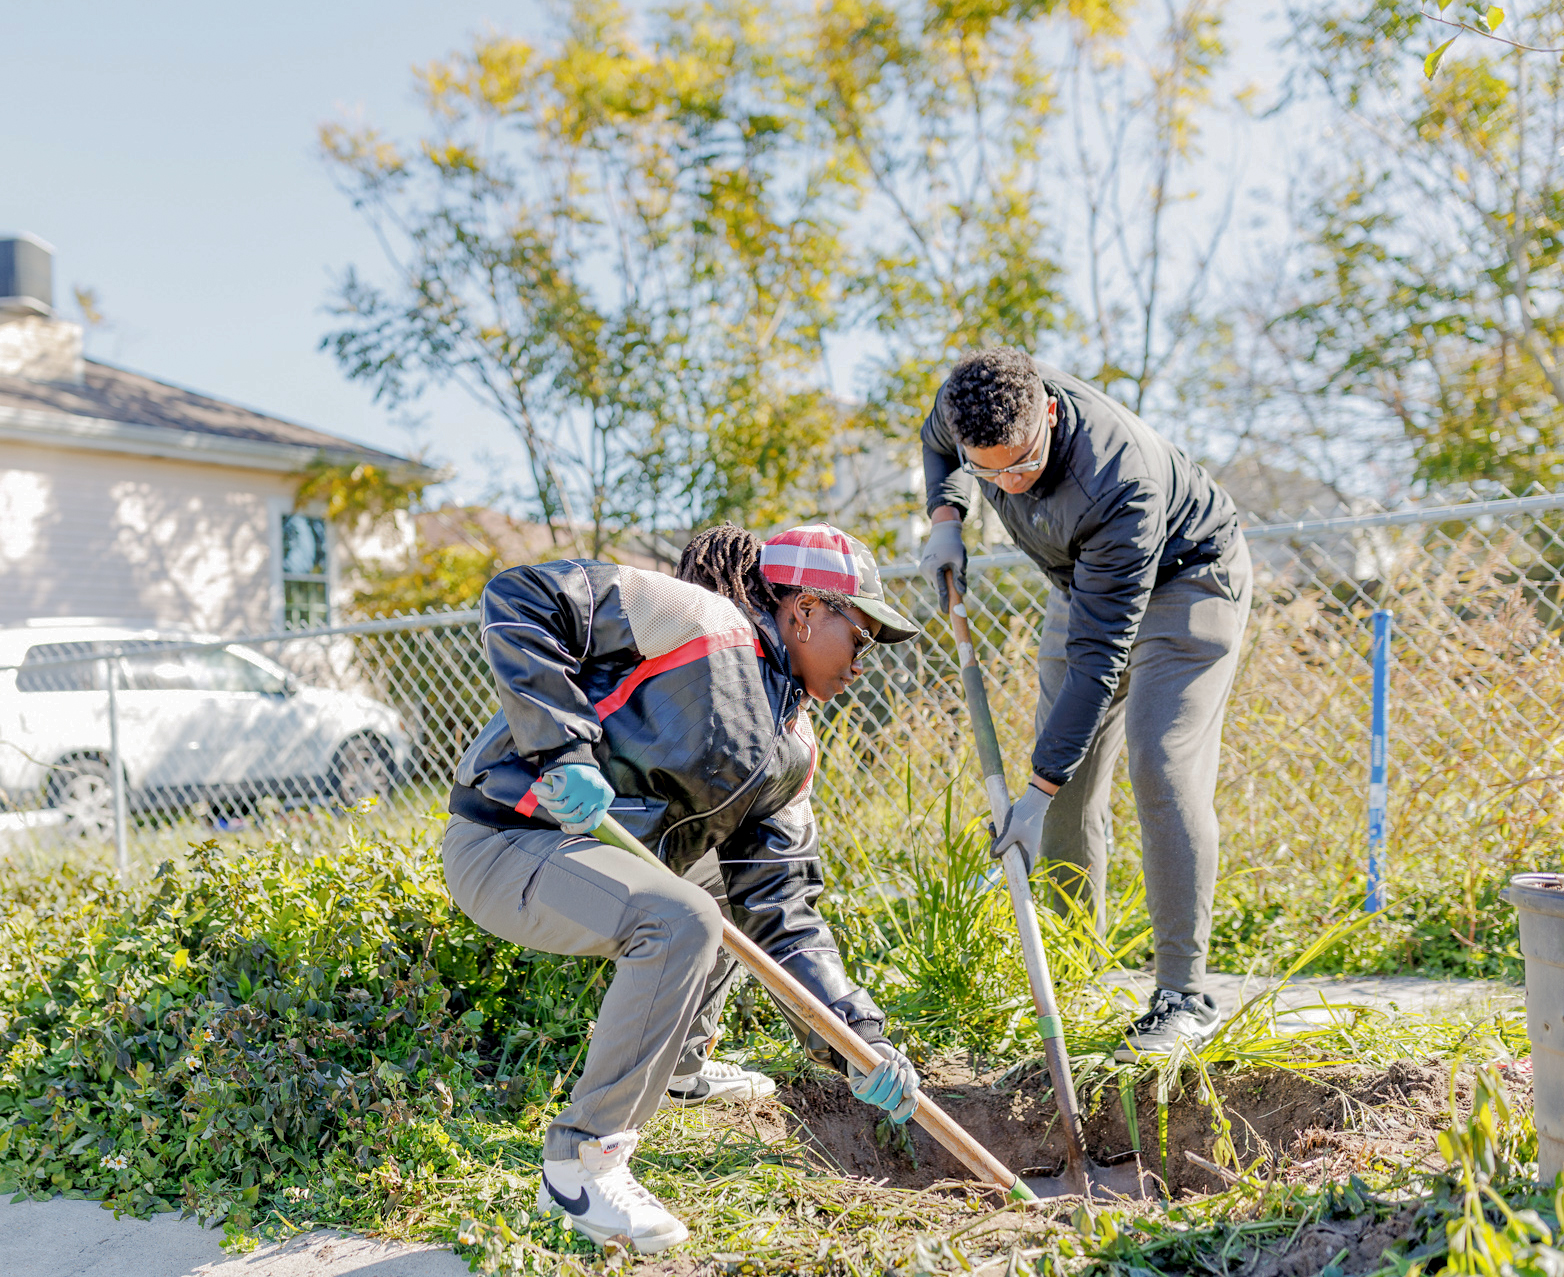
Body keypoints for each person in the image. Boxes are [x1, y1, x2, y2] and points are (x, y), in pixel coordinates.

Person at [443, 522, 921, 1252]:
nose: (863, 664)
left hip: (601, 864)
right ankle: (581, 1165)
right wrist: (563, 749)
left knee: (718, 897)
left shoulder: (792, 749)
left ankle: (684, 1069)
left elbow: (784, 913)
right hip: (510, 838)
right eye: (860, 637)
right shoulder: (700, 622)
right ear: (805, 612)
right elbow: (524, 594)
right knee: (683, 918)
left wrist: (858, 1041)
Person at [917, 346, 1251, 1061]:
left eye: (1021, 462)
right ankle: (1073, 974)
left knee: (1159, 762)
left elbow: (1098, 661)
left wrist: (1032, 791)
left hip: (1187, 579)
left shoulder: (1116, 479)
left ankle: (1184, 997)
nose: (1009, 481)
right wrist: (948, 515)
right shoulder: (971, 406)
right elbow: (937, 441)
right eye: (990, 469)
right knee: (1064, 790)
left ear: (1050, 412)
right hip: (1083, 585)